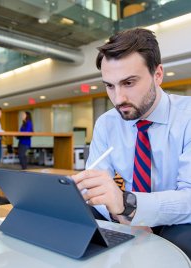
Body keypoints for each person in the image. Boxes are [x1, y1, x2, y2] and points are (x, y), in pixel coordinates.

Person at [71, 28, 191, 258]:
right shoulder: (107, 123)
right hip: (124, 213)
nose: (118, 99)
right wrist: (121, 215)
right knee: (75, 223)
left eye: (128, 83)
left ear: (158, 75)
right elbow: (94, 186)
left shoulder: (187, 117)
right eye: (109, 85)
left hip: (178, 219)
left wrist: (130, 205)